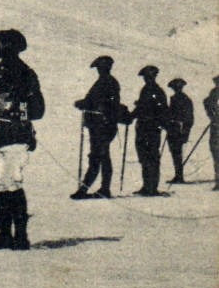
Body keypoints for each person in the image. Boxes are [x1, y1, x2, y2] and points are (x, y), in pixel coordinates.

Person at [0, 28, 44, 251]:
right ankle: (4, 235)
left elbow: (38, 109)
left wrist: (12, 106)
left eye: (2, 44)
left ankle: (21, 237)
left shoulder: (26, 73)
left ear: (11, 47)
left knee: (12, 184)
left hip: (16, 135)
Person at [72, 55, 123, 199]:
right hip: (102, 126)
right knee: (103, 157)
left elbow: (103, 104)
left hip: (102, 126)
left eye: (100, 68)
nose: (99, 71)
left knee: (96, 157)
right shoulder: (105, 82)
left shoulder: (107, 83)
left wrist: (84, 104)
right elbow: (93, 101)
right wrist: (84, 103)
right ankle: (104, 189)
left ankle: (84, 190)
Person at [124, 65, 168, 196]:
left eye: (148, 77)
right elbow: (141, 108)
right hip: (143, 127)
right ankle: (147, 186)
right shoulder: (146, 90)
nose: (146, 79)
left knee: (152, 157)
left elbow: (162, 110)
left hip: (152, 128)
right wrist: (132, 115)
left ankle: (152, 187)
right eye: (145, 77)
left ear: (153, 77)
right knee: (144, 157)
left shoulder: (157, 91)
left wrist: (132, 115)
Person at [166, 78, 193, 185]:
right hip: (172, 128)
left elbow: (189, 118)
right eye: (174, 88)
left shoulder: (185, 99)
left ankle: (179, 175)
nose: (175, 89)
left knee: (177, 153)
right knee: (175, 152)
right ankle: (178, 175)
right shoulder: (174, 98)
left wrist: (186, 132)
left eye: (176, 87)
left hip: (179, 129)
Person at [204, 75, 219, 191]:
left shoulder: (214, 93)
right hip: (216, 127)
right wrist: (212, 116)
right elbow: (207, 103)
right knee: (216, 153)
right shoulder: (214, 93)